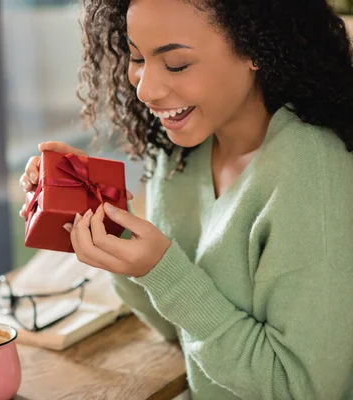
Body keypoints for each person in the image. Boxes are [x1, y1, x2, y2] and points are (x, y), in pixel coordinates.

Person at [19, 0, 353, 398]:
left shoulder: (312, 172)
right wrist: (107, 224)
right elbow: (179, 328)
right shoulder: (179, 153)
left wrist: (163, 270)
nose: (145, 89)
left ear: (256, 49)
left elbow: (301, 390)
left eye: (176, 64)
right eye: (137, 56)